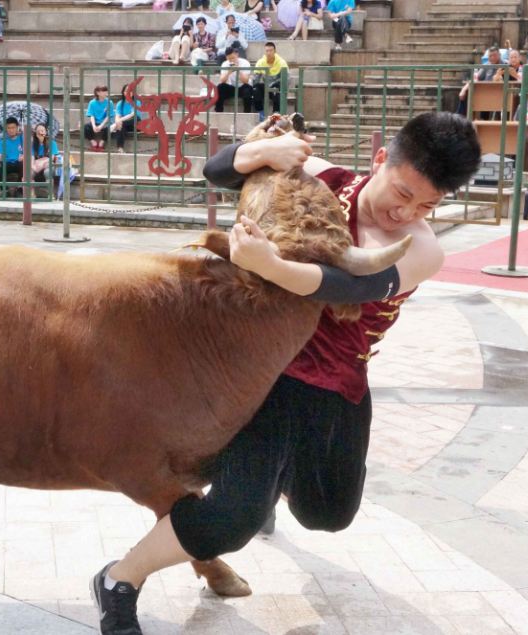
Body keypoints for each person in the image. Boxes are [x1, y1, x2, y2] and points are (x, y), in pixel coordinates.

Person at [90, 111, 482, 635]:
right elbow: (219, 170)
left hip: (341, 382)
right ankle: (120, 580)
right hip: (270, 372)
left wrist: (270, 265)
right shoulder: (321, 176)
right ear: (381, 159)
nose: (405, 211)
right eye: (403, 191)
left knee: (330, 515)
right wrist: (260, 153)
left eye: (427, 205)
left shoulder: (424, 250)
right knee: (233, 517)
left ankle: (270, 485)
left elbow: (346, 288)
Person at [253, 41, 289, 116]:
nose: (268, 53)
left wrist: (275, 84)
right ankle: (261, 114)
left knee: (278, 88)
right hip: (266, 88)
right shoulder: (260, 62)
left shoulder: (281, 62)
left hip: (277, 88)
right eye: (267, 51)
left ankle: (276, 115)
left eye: (271, 50)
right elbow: (255, 79)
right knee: (256, 89)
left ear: (275, 51)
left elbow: (287, 80)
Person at [0, 116, 24, 197]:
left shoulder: (23, 138)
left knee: (25, 164)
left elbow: (30, 152)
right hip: (7, 164)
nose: (11, 130)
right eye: (8, 128)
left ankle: (19, 190)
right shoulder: (2, 139)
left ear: (17, 128)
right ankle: (5, 190)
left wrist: (24, 156)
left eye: (13, 127)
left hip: (19, 163)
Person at [215, 45, 254, 114]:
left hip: (243, 86)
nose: (231, 60)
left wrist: (238, 70)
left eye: (233, 58)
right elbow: (222, 80)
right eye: (229, 59)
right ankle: (218, 111)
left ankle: (247, 113)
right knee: (220, 87)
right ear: (226, 58)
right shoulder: (225, 64)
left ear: (237, 55)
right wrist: (229, 72)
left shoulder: (245, 63)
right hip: (232, 87)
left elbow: (246, 81)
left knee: (247, 90)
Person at [30, 123, 61, 196]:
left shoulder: (52, 143)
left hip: (48, 164)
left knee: (48, 172)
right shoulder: (32, 144)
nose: (41, 132)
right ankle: (31, 194)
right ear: (35, 133)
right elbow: (31, 158)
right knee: (29, 173)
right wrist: (33, 167)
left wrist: (43, 164)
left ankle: (50, 194)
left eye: (43, 130)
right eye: (39, 131)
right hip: (36, 165)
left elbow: (52, 158)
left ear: (46, 132)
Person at [85, 85, 115, 152]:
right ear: (98, 93)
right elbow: (91, 115)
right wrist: (93, 126)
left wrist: (101, 125)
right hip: (95, 122)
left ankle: (102, 142)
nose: (105, 93)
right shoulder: (92, 103)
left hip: (105, 123)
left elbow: (108, 116)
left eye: (106, 91)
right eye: (103, 91)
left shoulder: (109, 102)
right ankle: (93, 142)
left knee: (110, 128)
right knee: (85, 127)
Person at [111, 84, 139, 152]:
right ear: (123, 92)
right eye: (126, 91)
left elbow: (132, 114)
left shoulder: (137, 102)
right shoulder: (120, 103)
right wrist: (117, 122)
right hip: (125, 123)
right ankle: (120, 148)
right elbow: (117, 116)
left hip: (136, 123)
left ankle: (117, 125)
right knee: (120, 126)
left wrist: (115, 124)